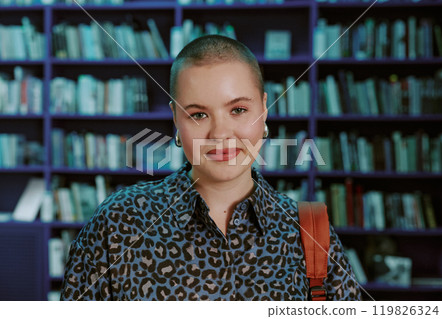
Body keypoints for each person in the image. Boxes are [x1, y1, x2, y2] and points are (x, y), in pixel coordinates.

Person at [60, 35, 362, 301]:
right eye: (198, 115)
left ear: (264, 109)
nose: (220, 134)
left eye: (239, 110)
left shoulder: (310, 232)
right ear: (176, 119)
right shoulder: (117, 223)